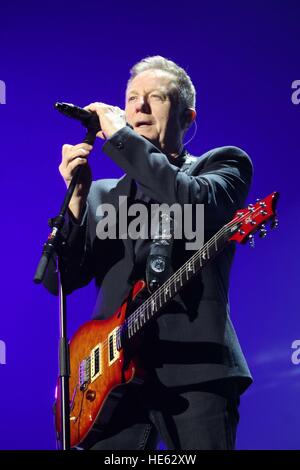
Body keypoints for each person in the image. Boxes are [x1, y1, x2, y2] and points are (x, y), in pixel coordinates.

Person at [44, 56, 253, 450]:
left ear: (188, 118)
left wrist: (122, 139)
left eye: (155, 97)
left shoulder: (222, 166)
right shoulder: (103, 193)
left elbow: (192, 201)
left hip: (196, 372)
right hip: (108, 381)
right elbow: (64, 281)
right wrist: (76, 203)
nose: (138, 107)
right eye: (131, 98)